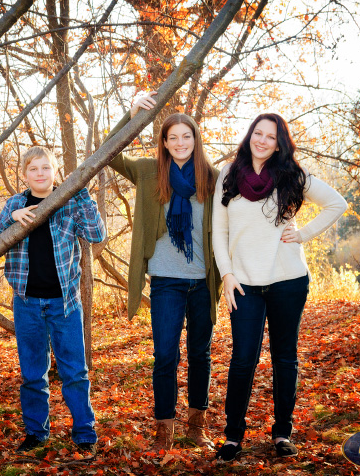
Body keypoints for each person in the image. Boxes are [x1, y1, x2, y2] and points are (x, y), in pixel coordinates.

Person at [212, 114, 347, 461]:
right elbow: (219, 230)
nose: (262, 140)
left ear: (279, 143)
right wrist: (226, 274)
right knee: (243, 360)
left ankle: (282, 433)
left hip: (287, 281)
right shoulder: (229, 175)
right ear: (250, 135)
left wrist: (303, 234)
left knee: (284, 358)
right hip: (244, 285)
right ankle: (233, 437)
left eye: (270, 137)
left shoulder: (292, 176)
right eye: (258, 133)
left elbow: (337, 203)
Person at [105, 92, 222, 450]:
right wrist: (131, 114)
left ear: (195, 139)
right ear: (164, 142)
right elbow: (109, 152)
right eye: (172, 137)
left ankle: (196, 426)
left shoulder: (213, 178)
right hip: (166, 282)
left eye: (186, 136)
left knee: (200, 354)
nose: (180, 142)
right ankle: (164, 430)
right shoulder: (148, 171)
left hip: (203, 281)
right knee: (165, 356)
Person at [0, 146, 105, 453]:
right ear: (25, 175)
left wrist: (83, 195)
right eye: (33, 169)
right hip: (27, 303)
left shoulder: (69, 199)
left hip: (64, 303)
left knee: (74, 371)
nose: (40, 174)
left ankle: (84, 433)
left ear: (55, 172)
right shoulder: (16, 203)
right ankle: (36, 433)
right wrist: (11, 218)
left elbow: (96, 235)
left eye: (46, 168)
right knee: (32, 374)